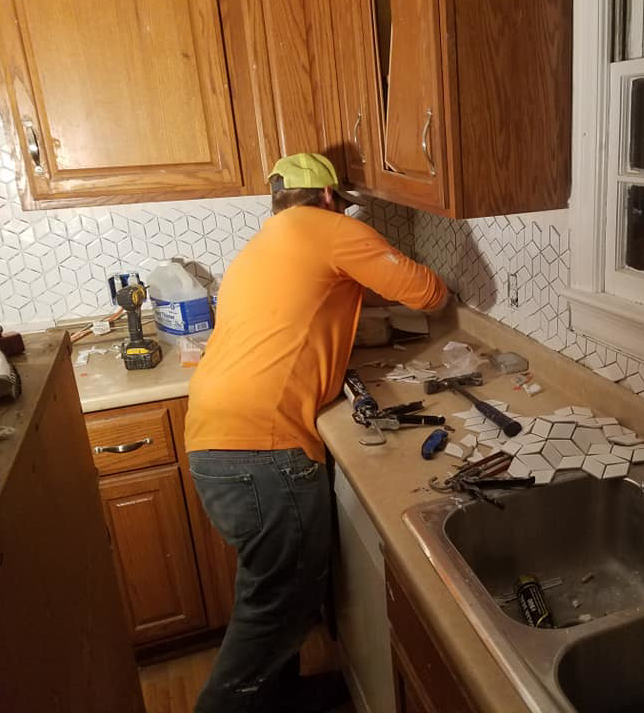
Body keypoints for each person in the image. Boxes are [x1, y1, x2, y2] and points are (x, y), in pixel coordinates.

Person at [184, 153, 448, 712]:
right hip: (264, 451)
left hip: (218, 437)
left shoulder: (264, 243)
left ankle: (282, 699)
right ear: (331, 198)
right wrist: (364, 234)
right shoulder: (332, 229)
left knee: (270, 593)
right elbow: (429, 294)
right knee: (277, 607)